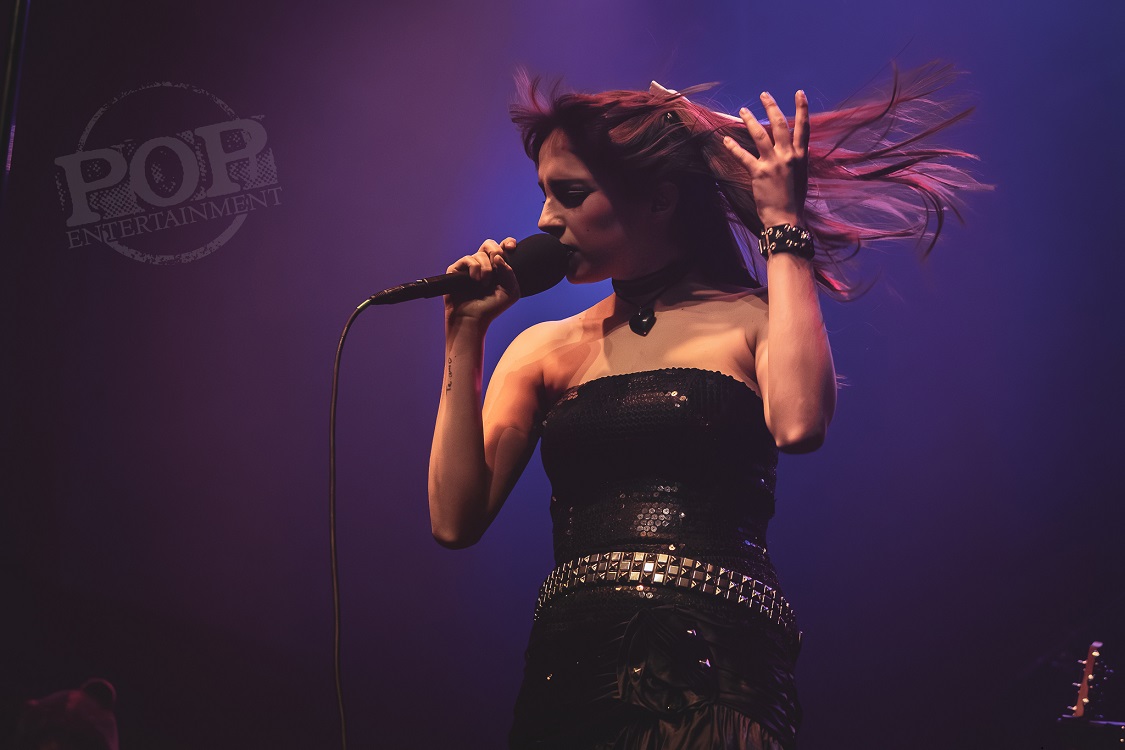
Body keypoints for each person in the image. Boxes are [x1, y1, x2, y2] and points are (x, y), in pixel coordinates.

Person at [428, 64, 984, 749]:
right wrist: (464, 334)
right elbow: (453, 520)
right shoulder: (541, 348)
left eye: (569, 194)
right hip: (568, 683)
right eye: (544, 194)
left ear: (659, 200)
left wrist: (782, 224)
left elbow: (799, 424)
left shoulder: (753, 321)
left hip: (717, 680)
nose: (545, 219)